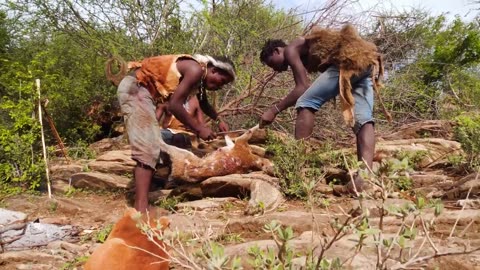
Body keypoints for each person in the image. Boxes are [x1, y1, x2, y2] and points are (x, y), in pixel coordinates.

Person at [258, 25, 383, 194]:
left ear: (277, 51)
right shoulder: (305, 53)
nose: (274, 69)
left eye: (271, 63)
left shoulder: (291, 49)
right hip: (367, 61)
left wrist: (274, 110)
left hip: (350, 58)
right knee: (362, 119)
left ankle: (297, 169)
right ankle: (364, 178)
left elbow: (302, 87)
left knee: (305, 102)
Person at [117, 54, 235, 212]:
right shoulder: (195, 70)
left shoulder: (199, 75)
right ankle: (141, 208)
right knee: (148, 146)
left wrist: (218, 119)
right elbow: (174, 106)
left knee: (154, 145)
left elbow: (203, 102)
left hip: (143, 92)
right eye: (222, 82)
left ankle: (144, 194)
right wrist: (199, 128)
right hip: (136, 89)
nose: (219, 87)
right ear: (213, 70)